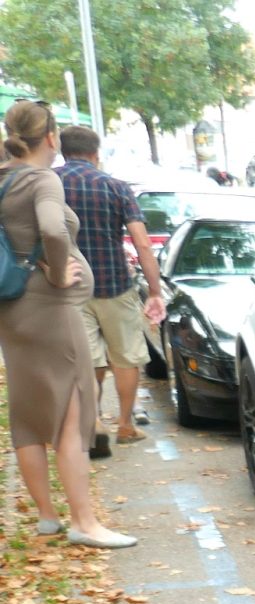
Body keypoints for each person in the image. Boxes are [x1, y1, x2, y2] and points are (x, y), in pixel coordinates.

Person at [0, 102, 134, 547]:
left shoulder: (3, 178)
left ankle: (46, 517)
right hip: (50, 310)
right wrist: (57, 273)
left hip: (12, 311)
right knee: (72, 414)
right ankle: (84, 523)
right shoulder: (42, 179)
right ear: (51, 138)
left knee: (27, 413)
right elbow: (54, 230)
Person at [56, 126, 163, 449]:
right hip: (115, 283)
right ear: (95, 153)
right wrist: (155, 291)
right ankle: (126, 426)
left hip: (70, 285)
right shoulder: (116, 187)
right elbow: (142, 243)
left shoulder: (51, 183)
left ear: (62, 150)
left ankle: (94, 422)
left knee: (87, 358)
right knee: (126, 357)